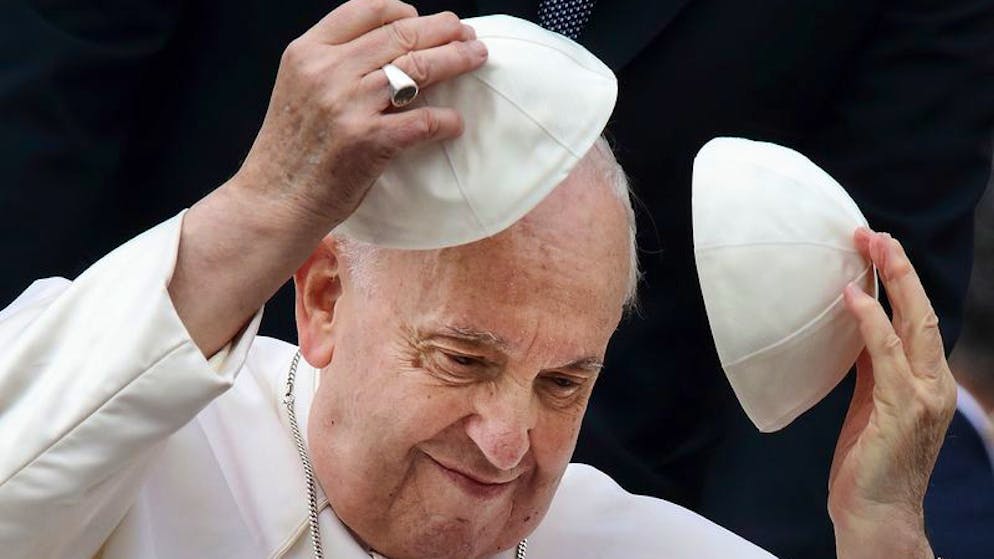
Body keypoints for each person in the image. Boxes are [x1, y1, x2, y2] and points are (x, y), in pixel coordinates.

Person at [0, 3, 959, 558]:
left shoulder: (627, 540)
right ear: (325, 296)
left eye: (563, 382)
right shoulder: (130, 430)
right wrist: (258, 209)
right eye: (462, 357)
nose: (508, 444)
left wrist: (878, 531)